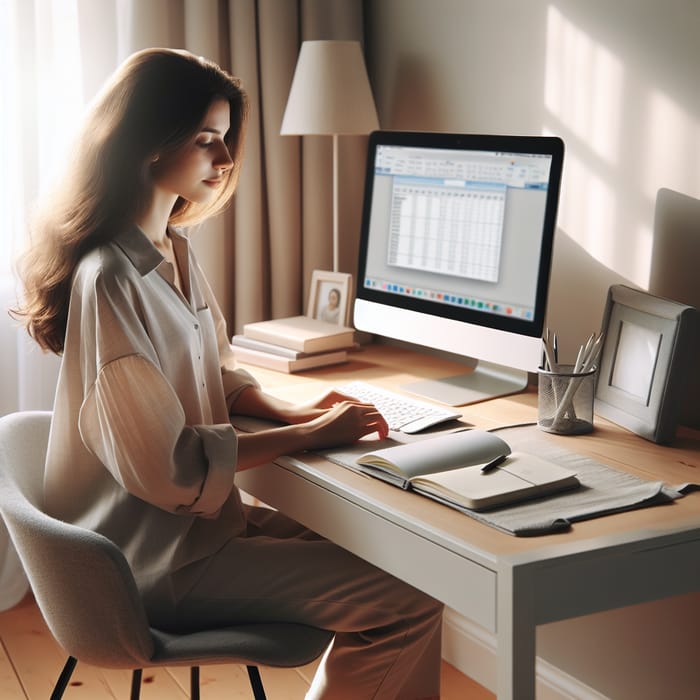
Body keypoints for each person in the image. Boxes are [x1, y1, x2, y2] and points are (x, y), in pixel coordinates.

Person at [11, 48, 443, 699]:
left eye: (224, 140)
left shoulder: (171, 249)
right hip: (154, 565)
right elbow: (168, 466)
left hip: (200, 533)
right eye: (207, 140)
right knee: (410, 600)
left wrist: (287, 411)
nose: (225, 160)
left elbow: (215, 368)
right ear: (150, 144)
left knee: (396, 553)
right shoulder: (109, 280)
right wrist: (310, 437)